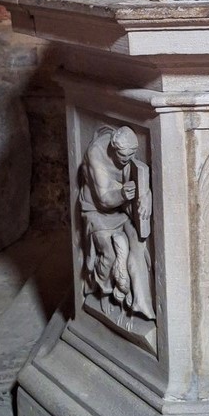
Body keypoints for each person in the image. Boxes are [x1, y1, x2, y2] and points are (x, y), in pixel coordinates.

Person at [78, 125, 153, 319]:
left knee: (138, 243)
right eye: (123, 156)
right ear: (113, 147)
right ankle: (104, 290)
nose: (127, 160)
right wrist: (122, 194)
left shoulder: (128, 154)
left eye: (131, 155)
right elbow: (104, 199)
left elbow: (141, 176)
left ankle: (140, 303)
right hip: (97, 210)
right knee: (110, 253)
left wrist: (146, 196)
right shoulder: (96, 153)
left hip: (122, 209)